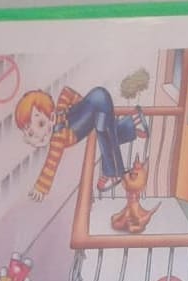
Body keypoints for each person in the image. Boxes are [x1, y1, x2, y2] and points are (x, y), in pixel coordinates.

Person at [14, 86, 148, 202]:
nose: (38, 134)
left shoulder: (57, 138)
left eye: (41, 124)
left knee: (102, 130)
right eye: (30, 133)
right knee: (105, 131)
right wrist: (83, 106)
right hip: (97, 100)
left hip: (100, 103)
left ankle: (113, 172)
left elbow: (51, 163)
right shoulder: (59, 112)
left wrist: (40, 188)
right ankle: (133, 123)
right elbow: (66, 92)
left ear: (52, 118)